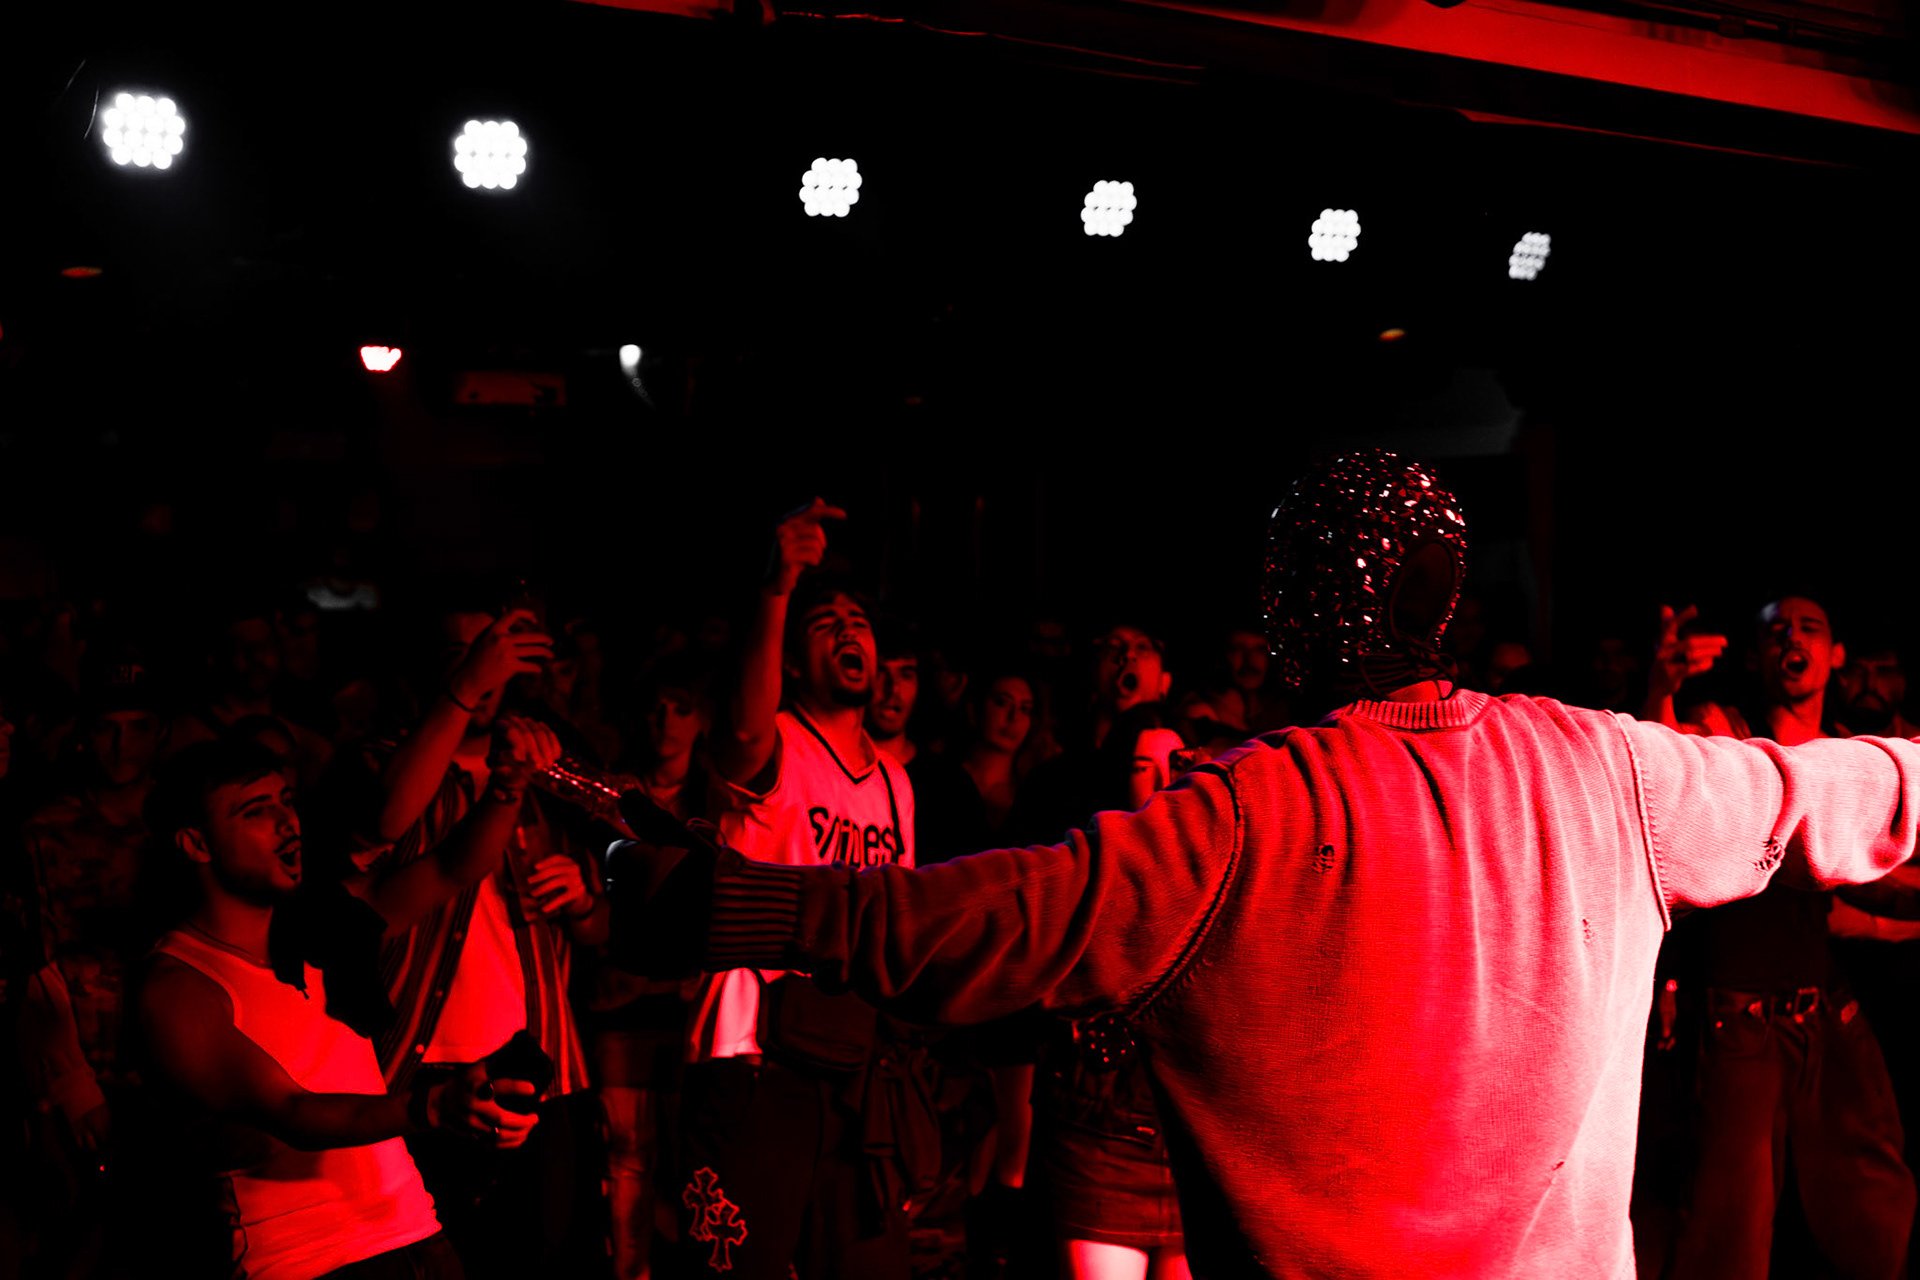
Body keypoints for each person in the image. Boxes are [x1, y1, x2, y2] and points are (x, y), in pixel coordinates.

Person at [613, 449, 1920, 1280]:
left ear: (1292, 610)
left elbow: (984, 918)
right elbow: (1852, 785)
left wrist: (724, 903)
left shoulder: (1235, 816)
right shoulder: (1610, 769)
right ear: (1448, 599)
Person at [136, 737, 547, 1280]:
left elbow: (450, 870)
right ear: (195, 843)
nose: (287, 822)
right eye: (256, 810)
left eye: (286, 801)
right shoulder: (179, 985)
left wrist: (506, 789)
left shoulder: (321, 922)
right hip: (304, 1262)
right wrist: (431, 1106)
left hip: (416, 1233)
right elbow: (294, 1113)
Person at [679, 497, 923, 1280]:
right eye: (827, 624)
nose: (849, 631)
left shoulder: (896, 785)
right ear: (789, 660)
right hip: (752, 1060)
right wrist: (778, 588)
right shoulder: (777, 741)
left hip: (851, 1071)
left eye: (859, 622)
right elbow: (743, 730)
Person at [332, 602, 609, 1279]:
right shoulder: (382, 761)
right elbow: (380, 822)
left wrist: (583, 902)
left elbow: (609, 932)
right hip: (410, 1070)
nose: (481, 668)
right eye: (461, 653)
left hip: (542, 1070)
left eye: (492, 653)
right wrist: (462, 691)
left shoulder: (555, 771)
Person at [1644, 596, 1916, 1279]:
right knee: (1729, 1234)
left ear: (1835, 655)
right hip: (1740, 1016)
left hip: (1825, 1010)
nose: (1792, 638)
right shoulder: (1729, 730)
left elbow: (1876, 880)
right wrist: (1661, 691)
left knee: (1876, 1210)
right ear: (1756, 655)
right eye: (1776, 631)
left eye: (1809, 628)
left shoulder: (1848, 752)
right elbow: (1664, 782)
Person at [866, 621, 988, 867]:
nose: (893, 688)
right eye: (880, 672)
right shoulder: (828, 775)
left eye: (906, 674)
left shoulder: (950, 783)